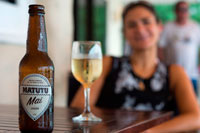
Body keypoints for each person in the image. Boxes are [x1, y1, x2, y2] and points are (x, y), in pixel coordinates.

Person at [71, 1, 200, 132]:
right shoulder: (107, 63)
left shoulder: (174, 72)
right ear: (124, 33)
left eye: (146, 22)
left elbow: (196, 118)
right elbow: (79, 108)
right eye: (132, 25)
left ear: (159, 27)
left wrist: (150, 131)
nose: (140, 29)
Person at [159, 1, 200, 94]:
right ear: (175, 11)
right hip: (171, 74)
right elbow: (160, 48)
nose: (183, 12)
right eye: (180, 9)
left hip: (191, 74)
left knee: (192, 104)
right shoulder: (168, 27)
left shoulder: (196, 27)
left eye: (185, 9)